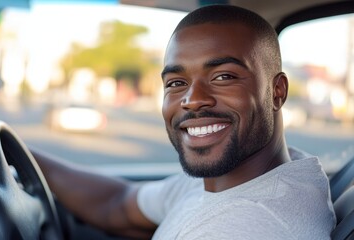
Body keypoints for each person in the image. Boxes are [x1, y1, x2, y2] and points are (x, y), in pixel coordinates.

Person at [32, 4, 336, 240]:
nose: (192, 99)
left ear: (277, 92)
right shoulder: (232, 180)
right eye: (176, 82)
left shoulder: (249, 227)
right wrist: (22, 153)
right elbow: (118, 202)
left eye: (223, 76)